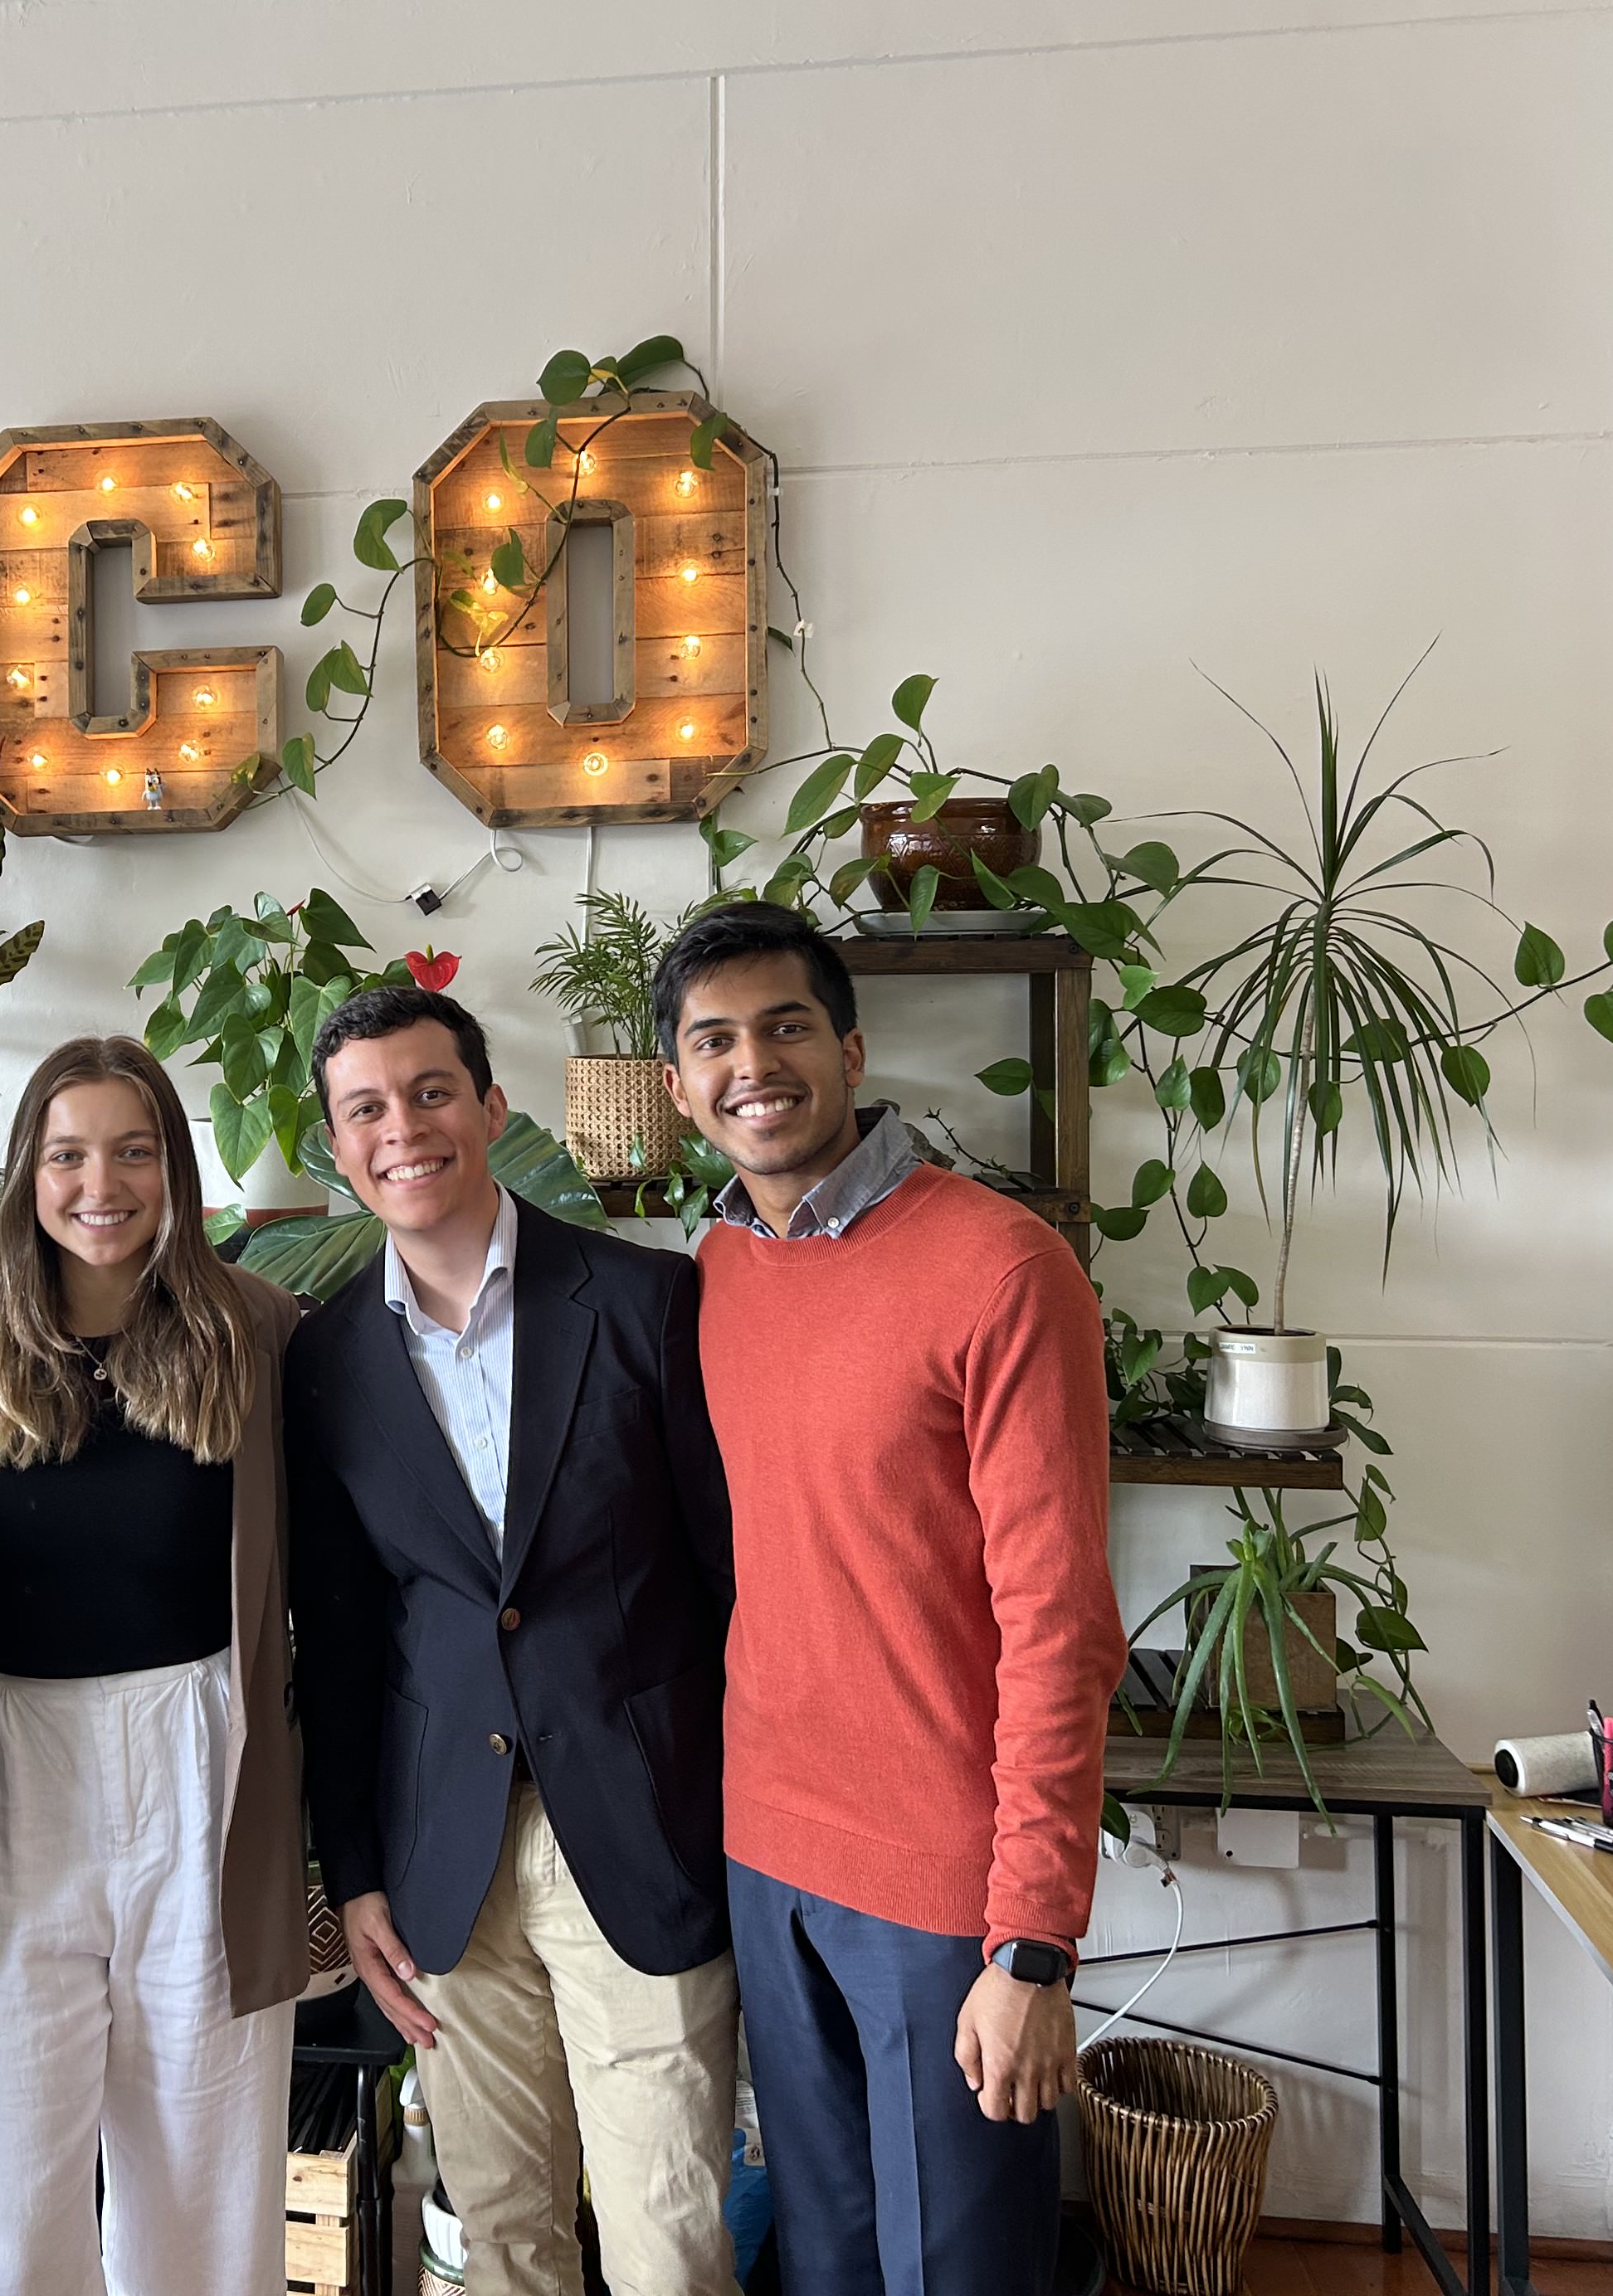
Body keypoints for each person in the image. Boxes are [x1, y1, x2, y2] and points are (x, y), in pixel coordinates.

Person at [653, 902, 1122, 2296]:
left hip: (941, 1883)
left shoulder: (1002, 1267)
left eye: (786, 1027)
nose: (754, 1066)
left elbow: (1060, 1625)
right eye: (715, 1041)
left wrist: (1032, 1941)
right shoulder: (717, 1268)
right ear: (677, 1086)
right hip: (767, 1854)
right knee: (829, 2258)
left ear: (851, 1051)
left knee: (959, 2268)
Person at [285, 983, 738, 2296]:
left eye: (431, 1093)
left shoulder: (647, 1302)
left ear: (490, 1108)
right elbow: (344, 1635)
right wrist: (356, 1875)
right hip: (447, 1860)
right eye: (366, 1110)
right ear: (337, 1146)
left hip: (640, 1834)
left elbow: (729, 1582)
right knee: (502, 2241)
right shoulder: (326, 1362)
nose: (402, 1129)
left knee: (670, 2246)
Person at [0, 1036, 309, 2296]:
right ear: (26, 1170)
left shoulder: (255, 1328)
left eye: (134, 1151)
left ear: (175, 1168)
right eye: (69, 1154)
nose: (102, 1184)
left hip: (205, 1752)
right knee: (10, 2178)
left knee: (207, 2162)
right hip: (3, 1767)